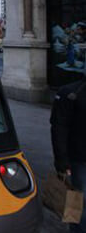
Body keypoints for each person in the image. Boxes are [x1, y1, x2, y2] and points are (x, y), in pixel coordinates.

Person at [51, 77, 86, 232]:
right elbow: (59, 127)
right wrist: (62, 160)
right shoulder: (70, 92)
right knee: (76, 202)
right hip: (78, 160)